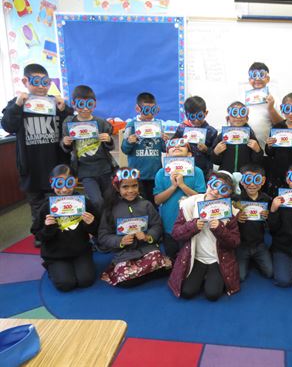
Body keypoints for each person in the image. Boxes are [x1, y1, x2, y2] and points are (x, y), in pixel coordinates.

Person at [1, 63, 73, 246]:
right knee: (36, 204)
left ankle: (62, 231)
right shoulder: (17, 104)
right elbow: (7, 125)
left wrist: (64, 108)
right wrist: (18, 104)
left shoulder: (55, 103)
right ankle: (40, 235)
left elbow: (72, 123)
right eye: (36, 81)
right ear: (25, 81)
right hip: (31, 166)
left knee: (57, 200)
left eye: (45, 82)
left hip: (54, 165)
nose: (41, 86)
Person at [169, 171, 240, 301]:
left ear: (228, 194)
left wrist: (220, 229)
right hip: (196, 257)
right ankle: (204, 275)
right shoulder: (189, 204)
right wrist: (193, 226)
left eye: (223, 189)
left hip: (217, 258)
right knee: (187, 292)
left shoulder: (230, 211)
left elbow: (234, 242)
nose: (216, 191)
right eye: (214, 185)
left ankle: (211, 275)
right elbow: (176, 233)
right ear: (208, 183)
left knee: (212, 294)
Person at [98, 168, 171, 287]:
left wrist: (148, 236)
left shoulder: (146, 204)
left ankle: (143, 272)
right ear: (117, 188)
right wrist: (120, 241)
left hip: (147, 250)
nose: (131, 191)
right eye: (125, 187)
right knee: (125, 280)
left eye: (134, 186)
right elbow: (103, 235)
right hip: (125, 254)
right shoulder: (110, 209)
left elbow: (157, 225)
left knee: (157, 260)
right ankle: (149, 271)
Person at [33, 164, 97, 292]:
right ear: (52, 184)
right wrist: (47, 227)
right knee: (66, 284)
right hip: (55, 254)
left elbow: (97, 231)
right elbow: (38, 235)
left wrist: (91, 224)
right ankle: (52, 266)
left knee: (86, 280)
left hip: (80, 251)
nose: (64, 189)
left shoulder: (84, 203)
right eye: (59, 184)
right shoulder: (46, 207)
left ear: (75, 182)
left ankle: (77, 265)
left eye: (69, 183)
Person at [61, 85, 115, 215]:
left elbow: (110, 146)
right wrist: (66, 143)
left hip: (104, 168)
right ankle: (100, 227)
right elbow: (66, 148)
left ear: (94, 105)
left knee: (110, 200)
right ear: (74, 104)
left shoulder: (101, 123)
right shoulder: (69, 123)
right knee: (97, 201)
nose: (85, 108)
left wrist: (108, 140)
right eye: (81, 104)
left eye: (89, 104)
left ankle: (108, 227)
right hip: (85, 171)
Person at [154, 138, 206, 259]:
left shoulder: (197, 172)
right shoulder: (161, 173)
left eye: (182, 146)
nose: (177, 147)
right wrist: (173, 186)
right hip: (169, 224)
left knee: (189, 257)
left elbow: (201, 199)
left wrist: (182, 185)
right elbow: (157, 200)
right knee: (171, 256)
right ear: (167, 154)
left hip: (190, 222)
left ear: (189, 154)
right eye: (172, 146)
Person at [121, 92, 166, 203]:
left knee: (153, 204)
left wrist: (166, 141)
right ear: (138, 108)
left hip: (155, 174)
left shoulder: (158, 125)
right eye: (146, 110)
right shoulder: (131, 126)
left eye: (153, 110)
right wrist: (129, 142)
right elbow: (124, 149)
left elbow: (164, 149)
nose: (150, 114)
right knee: (139, 204)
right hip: (137, 175)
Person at [235, 163, 273, 281]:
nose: (252, 184)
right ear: (241, 181)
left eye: (256, 180)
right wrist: (236, 218)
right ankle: (248, 260)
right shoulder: (236, 199)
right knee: (240, 277)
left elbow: (273, 224)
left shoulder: (267, 199)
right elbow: (227, 223)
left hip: (259, 244)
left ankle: (255, 260)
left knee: (270, 273)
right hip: (241, 245)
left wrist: (268, 217)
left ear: (262, 181)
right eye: (247, 179)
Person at [172, 96, 218, 179]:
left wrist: (206, 150)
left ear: (206, 113)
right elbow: (171, 146)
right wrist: (167, 141)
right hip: (184, 171)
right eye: (192, 117)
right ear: (186, 115)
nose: (196, 120)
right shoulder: (182, 129)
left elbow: (215, 155)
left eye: (200, 116)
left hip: (204, 172)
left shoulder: (212, 132)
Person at [211, 101, 263, 172]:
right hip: (226, 176)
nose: (238, 116)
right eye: (234, 113)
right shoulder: (221, 137)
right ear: (228, 118)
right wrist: (215, 152)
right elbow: (215, 161)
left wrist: (258, 150)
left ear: (247, 119)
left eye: (242, 113)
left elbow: (257, 161)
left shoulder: (250, 137)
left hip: (245, 177)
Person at [245, 62, 283, 149]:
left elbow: (281, 125)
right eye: (254, 75)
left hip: (267, 149)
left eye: (261, 75)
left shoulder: (275, 98)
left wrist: (271, 108)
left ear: (268, 79)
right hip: (247, 149)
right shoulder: (243, 99)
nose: (257, 78)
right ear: (249, 79)